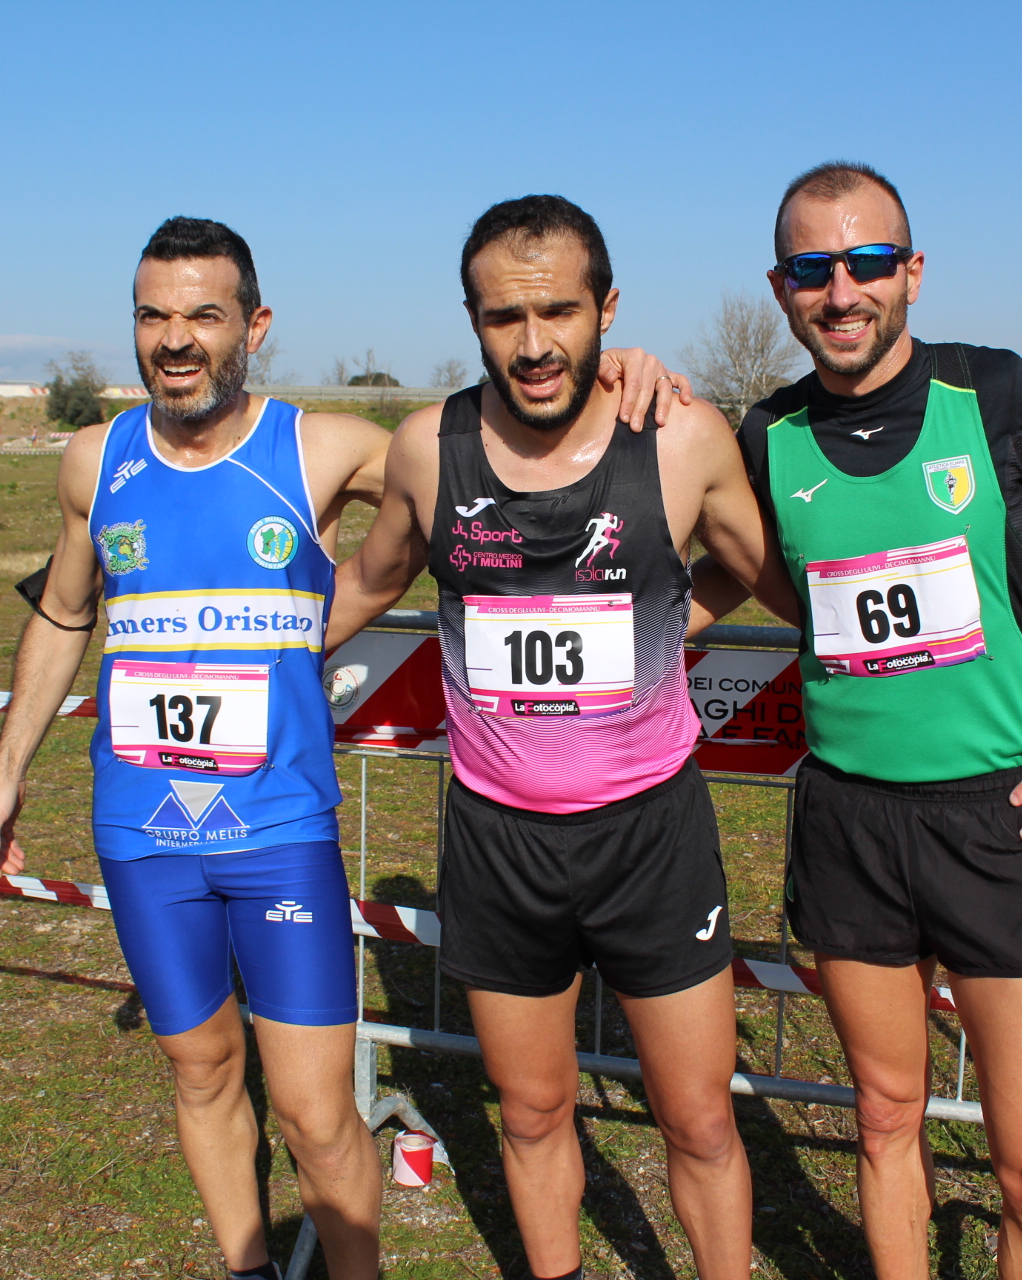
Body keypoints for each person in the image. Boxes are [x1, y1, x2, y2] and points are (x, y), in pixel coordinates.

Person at [0, 215, 680, 1280]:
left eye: (204, 315)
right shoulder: (93, 460)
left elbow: (483, 453)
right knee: (201, 1070)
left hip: (279, 832)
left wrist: (601, 377)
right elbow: (66, 614)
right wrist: (5, 774)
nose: (176, 339)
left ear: (254, 326)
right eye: (153, 316)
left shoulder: (324, 447)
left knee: (313, 1112)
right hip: (142, 832)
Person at [701, 162, 1022, 1280]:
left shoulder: (1002, 394)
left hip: (1002, 819)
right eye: (813, 269)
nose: (842, 292)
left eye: (868, 262)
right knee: (884, 1118)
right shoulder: (767, 432)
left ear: (912, 273)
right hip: (851, 823)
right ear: (780, 288)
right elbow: (739, 571)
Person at [327, 195, 789, 1280]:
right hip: (500, 844)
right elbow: (370, 579)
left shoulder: (680, 437)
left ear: (606, 309)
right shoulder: (427, 450)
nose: (533, 344)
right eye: (504, 318)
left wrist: (661, 624)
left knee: (699, 1120)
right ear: (473, 320)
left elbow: (769, 574)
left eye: (559, 312)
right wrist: (249, 656)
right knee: (532, 1113)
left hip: (651, 838)